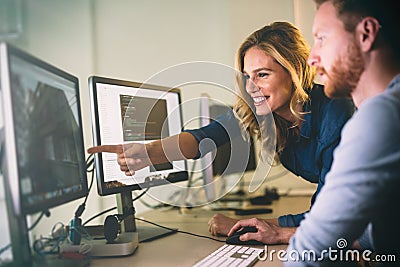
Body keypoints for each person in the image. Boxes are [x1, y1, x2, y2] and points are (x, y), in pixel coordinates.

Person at [87, 21, 355, 245]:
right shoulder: (263, 113)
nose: (252, 88)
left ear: (294, 71)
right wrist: (151, 152)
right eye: (247, 78)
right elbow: (205, 136)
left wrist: (272, 228)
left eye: (262, 74)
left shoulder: (335, 115)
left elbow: (330, 217)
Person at [228, 0, 400, 265]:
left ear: (366, 34)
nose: (312, 57)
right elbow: (375, 232)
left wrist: (281, 232)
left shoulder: (382, 115)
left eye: (322, 38)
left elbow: (313, 249)